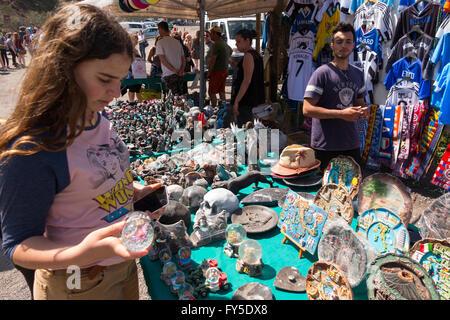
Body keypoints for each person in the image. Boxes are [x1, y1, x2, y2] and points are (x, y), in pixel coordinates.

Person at [0, 3, 164, 300]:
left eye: (120, 79)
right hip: (76, 282)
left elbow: (90, 179)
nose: (116, 93)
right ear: (63, 69)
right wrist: (80, 253)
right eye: (104, 79)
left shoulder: (96, 117)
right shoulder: (34, 148)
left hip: (121, 268)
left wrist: (128, 190)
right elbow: (18, 246)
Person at [303, 22, 369, 171]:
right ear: (332, 45)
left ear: (353, 45)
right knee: (325, 190)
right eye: (339, 41)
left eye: (348, 41)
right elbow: (307, 109)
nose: (343, 45)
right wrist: (341, 114)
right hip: (325, 146)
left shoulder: (358, 73)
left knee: (353, 189)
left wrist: (364, 110)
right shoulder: (322, 73)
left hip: (351, 143)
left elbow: (360, 103)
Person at [231, 29, 265, 127]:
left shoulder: (248, 56)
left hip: (247, 102)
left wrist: (236, 101)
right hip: (255, 100)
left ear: (247, 41)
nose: (236, 44)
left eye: (239, 41)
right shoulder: (256, 55)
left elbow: (247, 81)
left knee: (246, 131)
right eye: (236, 41)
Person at [156, 21, 185, 96]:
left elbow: (163, 60)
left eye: (158, 29)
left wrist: (174, 70)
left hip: (169, 74)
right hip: (179, 74)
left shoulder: (160, 42)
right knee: (181, 98)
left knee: (173, 100)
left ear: (161, 29)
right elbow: (183, 59)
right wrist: (181, 70)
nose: (158, 31)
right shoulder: (177, 42)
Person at [207, 26, 231, 107]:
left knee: (211, 92)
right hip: (224, 70)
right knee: (221, 91)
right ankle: (224, 109)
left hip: (217, 71)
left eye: (211, 34)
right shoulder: (223, 42)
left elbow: (213, 60)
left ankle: (214, 109)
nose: (210, 36)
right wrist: (224, 59)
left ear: (214, 33)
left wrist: (209, 72)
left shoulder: (216, 44)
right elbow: (230, 51)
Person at [122, 33, 143, 102]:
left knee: (138, 88)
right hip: (131, 72)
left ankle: (140, 103)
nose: (136, 41)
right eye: (135, 39)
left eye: (137, 39)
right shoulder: (128, 49)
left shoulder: (135, 49)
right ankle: (131, 102)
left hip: (138, 72)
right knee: (132, 88)